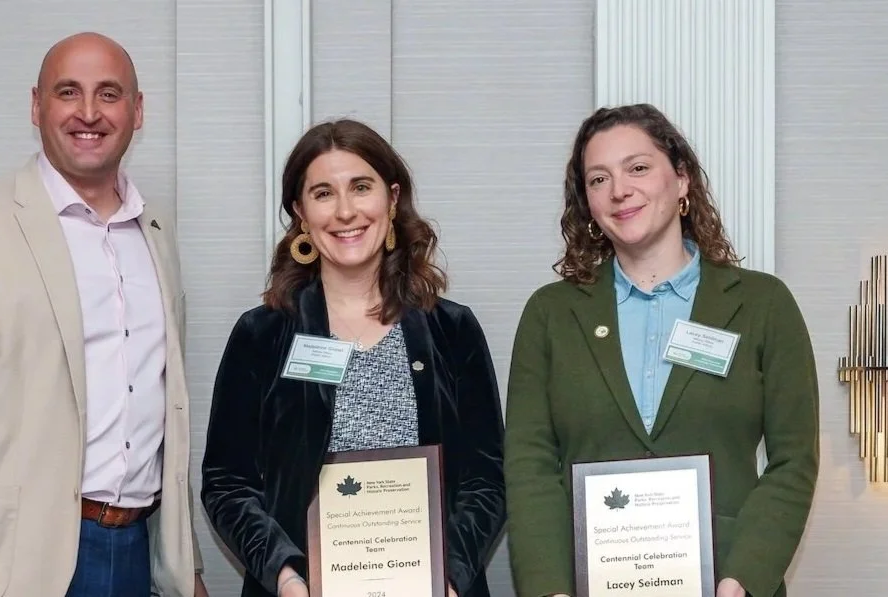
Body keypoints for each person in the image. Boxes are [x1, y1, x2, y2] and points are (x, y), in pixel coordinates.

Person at [0, 32, 206, 597]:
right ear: (37, 106)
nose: (88, 113)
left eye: (109, 94)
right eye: (68, 92)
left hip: (137, 553)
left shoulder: (154, 234)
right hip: (12, 564)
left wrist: (184, 567)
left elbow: (162, 414)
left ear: (138, 110)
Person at [504, 103, 819, 597]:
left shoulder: (764, 304)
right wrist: (550, 589)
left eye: (637, 168)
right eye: (598, 179)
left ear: (682, 179)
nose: (619, 190)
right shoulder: (550, 314)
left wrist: (742, 581)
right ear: (586, 202)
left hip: (728, 585)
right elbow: (529, 464)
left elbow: (794, 461)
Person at [200, 119, 506, 597]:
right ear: (301, 213)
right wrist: (285, 577)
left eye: (361, 187)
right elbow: (227, 483)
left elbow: (487, 480)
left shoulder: (453, 332)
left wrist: (449, 577)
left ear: (392, 197)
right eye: (323, 194)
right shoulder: (261, 336)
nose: (345, 211)